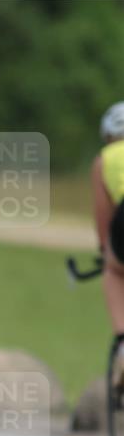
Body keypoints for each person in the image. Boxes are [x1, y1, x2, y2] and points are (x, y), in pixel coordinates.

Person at [91, 102, 124, 358]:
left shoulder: (105, 160)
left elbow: (104, 226)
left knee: (114, 271)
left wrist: (106, 252)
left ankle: (123, 343)